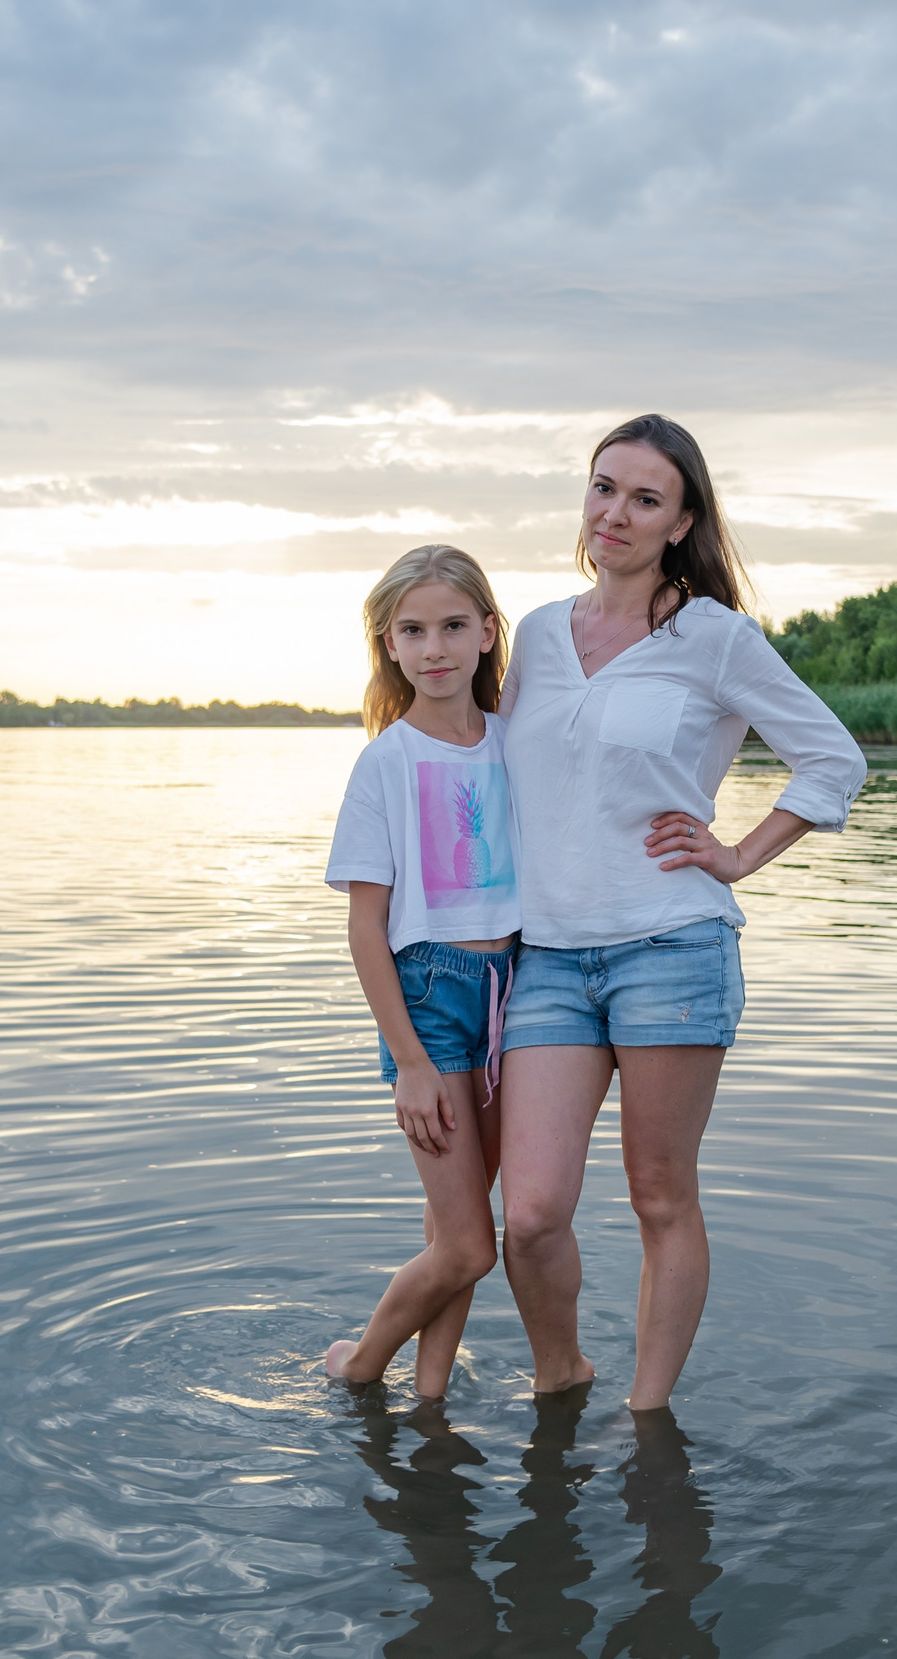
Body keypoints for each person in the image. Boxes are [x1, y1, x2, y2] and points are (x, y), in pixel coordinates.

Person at [496, 414, 867, 1411]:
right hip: (550, 956)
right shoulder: (532, 633)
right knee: (528, 1213)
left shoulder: (715, 637)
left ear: (680, 520)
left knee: (660, 1196)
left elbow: (834, 758)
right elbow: (498, 775)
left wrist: (738, 853)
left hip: (670, 944)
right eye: (602, 486)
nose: (614, 511)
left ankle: (647, 1413)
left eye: (644, 498)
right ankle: (560, 1371)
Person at [322, 545, 521, 1399]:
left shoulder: (518, 745)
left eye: (451, 625)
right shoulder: (385, 762)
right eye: (413, 630)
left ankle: (431, 1390)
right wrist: (408, 1060)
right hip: (430, 1001)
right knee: (472, 1244)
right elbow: (366, 927)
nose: (434, 647)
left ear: (485, 633)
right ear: (389, 646)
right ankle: (363, 1364)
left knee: (456, 1225)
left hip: (519, 995)